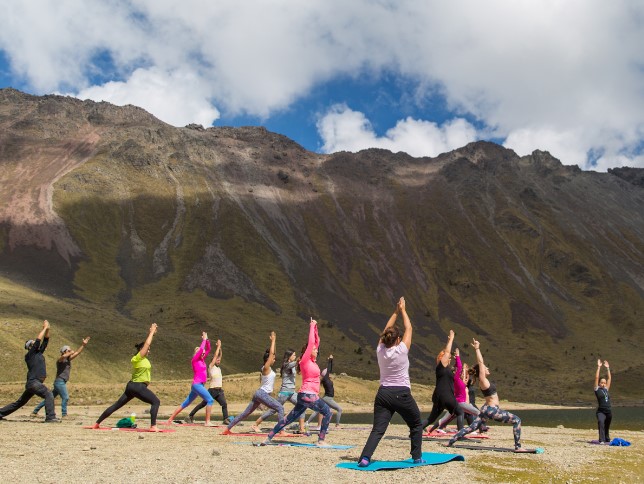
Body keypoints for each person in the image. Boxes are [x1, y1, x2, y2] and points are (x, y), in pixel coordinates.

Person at [357, 297, 424, 467]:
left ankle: (365, 458)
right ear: (398, 340)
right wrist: (402, 310)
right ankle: (416, 457)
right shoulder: (401, 350)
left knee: (378, 429)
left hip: (383, 394)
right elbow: (409, 327)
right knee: (416, 424)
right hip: (401, 393)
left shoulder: (380, 350)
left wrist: (395, 311)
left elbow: (386, 330)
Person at [447, 339, 529, 451]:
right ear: (481, 371)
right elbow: (480, 362)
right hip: (491, 410)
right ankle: (518, 447)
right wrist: (477, 349)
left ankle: (451, 441)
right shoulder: (483, 380)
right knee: (517, 420)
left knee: (472, 427)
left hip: (486, 409)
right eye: (486, 368)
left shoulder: (484, 381)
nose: (487, 369)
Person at [261, 318, 332, 446]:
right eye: (315, 349)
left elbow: (316, 341)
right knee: (327, 412)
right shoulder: (304, 360)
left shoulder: (313, 362)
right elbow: (311, 343)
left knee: (289, 418)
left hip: (304, 395)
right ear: (309, 351)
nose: (317, 350)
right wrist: (311, 326)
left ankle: (269, 437)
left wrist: (316, 328)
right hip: (308, 395)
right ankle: (321, 440)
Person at [92, 324, 161, 431]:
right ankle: (153, 426)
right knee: (156, 402)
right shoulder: (137, 358)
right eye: (147, 349)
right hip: (138, 386)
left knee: (117, 405)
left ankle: (97, 423)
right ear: (141, 349)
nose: (148, 351)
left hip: (132, 387)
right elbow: (147, 344)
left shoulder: (144, 360)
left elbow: (146, 345)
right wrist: (151, 332)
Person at [222, 331, 285, 434]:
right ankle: (281, 431)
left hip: (259, 394)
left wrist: (274, 342)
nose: (274, 360)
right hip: (262, 394)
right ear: (268, 359)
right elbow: (271, 355)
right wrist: (273, 340)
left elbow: (273, 354)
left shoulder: (268, 369)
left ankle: (227, 429)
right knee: (280, 408)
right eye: (273, 359)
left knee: (245, 414)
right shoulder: (266, 368)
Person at [0, 320, 60, 422]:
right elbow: (38, 340)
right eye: (33, 343)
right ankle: (50, 417)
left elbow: (46, 340)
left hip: (33, 383)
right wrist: (44, 328)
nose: (36, 344)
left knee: (20, 402)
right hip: (34, 382)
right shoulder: (30, 354)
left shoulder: (39, 353)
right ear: (30, 347)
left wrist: (48, 329)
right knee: (48, 394)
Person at [31, 336, 90, 419]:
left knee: (49, 398)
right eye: (68, 350)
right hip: (60, 382)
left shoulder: (68, 360)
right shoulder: (60, 360)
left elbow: (77, 353)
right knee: (65, 397)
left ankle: (35, 411)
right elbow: (62, 357)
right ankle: (64, 414)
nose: (70, 351)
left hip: (60, 382)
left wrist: (83, 345)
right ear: (64, 352)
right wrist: (70, 352)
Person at [251, 348, 306, 433]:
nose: (295, 356)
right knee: (273, 410)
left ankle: (301, 428)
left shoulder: (292, 366)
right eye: (294, 355)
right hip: (284, 392)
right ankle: (255, 424)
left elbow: (298, 369)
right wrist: (304, 354)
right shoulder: (286, 365)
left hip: (292, 392)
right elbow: (297, 362)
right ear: (289, 357)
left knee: (302, 405)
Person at [166, 332, 216, 425]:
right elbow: (201, 349)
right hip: (197, 385)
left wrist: (207, 340)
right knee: (210, 400)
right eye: (201, 353)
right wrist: (204, 340)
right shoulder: (195, 360)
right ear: (197, 353)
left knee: (185, 403)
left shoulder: (202, 360)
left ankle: (170, 419)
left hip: (198, 385)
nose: (203, 353)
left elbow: (208, 349)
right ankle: (207, 421)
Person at [427, 348, 480, 433]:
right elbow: (459, 367)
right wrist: (458, 357)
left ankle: (432, 429)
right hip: (459, 403)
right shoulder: (456, 379)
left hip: (456, 402)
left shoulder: (457, 379)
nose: (461, 373)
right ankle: (473, 429)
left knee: (444, 418)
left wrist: (456, 360)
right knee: (476, 413)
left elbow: (459, 369)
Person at [422, 329, 464, 432]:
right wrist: (451, 339)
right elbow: (447, 352)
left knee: (431, 418)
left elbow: (459, 368)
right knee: (460, 412)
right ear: (442, 358)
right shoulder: (441, 366)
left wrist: (457, 358)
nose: (449, 358)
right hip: (445, 395)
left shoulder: (444, 369)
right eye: (448, 358)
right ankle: (460, 435)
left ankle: (414, 431)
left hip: (438, 396)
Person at [187, 339, 230, 424]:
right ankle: (190, 415)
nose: (218, 360)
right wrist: (218, 347)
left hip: (219, 390)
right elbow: (215, 356)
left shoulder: (219, 368)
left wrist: (220, 347)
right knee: (203, 404)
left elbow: (219, 355)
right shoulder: (211, 366)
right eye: (217, 360)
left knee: (224, 404)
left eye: (219, 360)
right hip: (212, 390)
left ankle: (225, 419)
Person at [306, 354, 343, 429]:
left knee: (318, 411)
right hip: (328, 398)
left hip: (327, 398)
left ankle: (307, 422)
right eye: (328, 373)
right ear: (326, 374)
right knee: (339, 409)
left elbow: (330, 369)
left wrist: (331, 361)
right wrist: (330, 360)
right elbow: (329, 368)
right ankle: (337, 425)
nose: (330, 373)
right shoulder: (325, 379)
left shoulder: (327, 379)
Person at [594, 359, 612, 444]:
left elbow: (609, 378)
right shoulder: (597, 389)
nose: (603, 384)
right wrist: (599, 367)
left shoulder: (606, 389)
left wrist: (608, 368)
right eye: (601, 383)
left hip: (608, 411)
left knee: (607, 426)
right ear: (599, 383)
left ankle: (607, 438)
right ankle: (601, 439)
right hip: (601, 411)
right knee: (601, 422)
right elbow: (596, 377)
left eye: (604, 383)